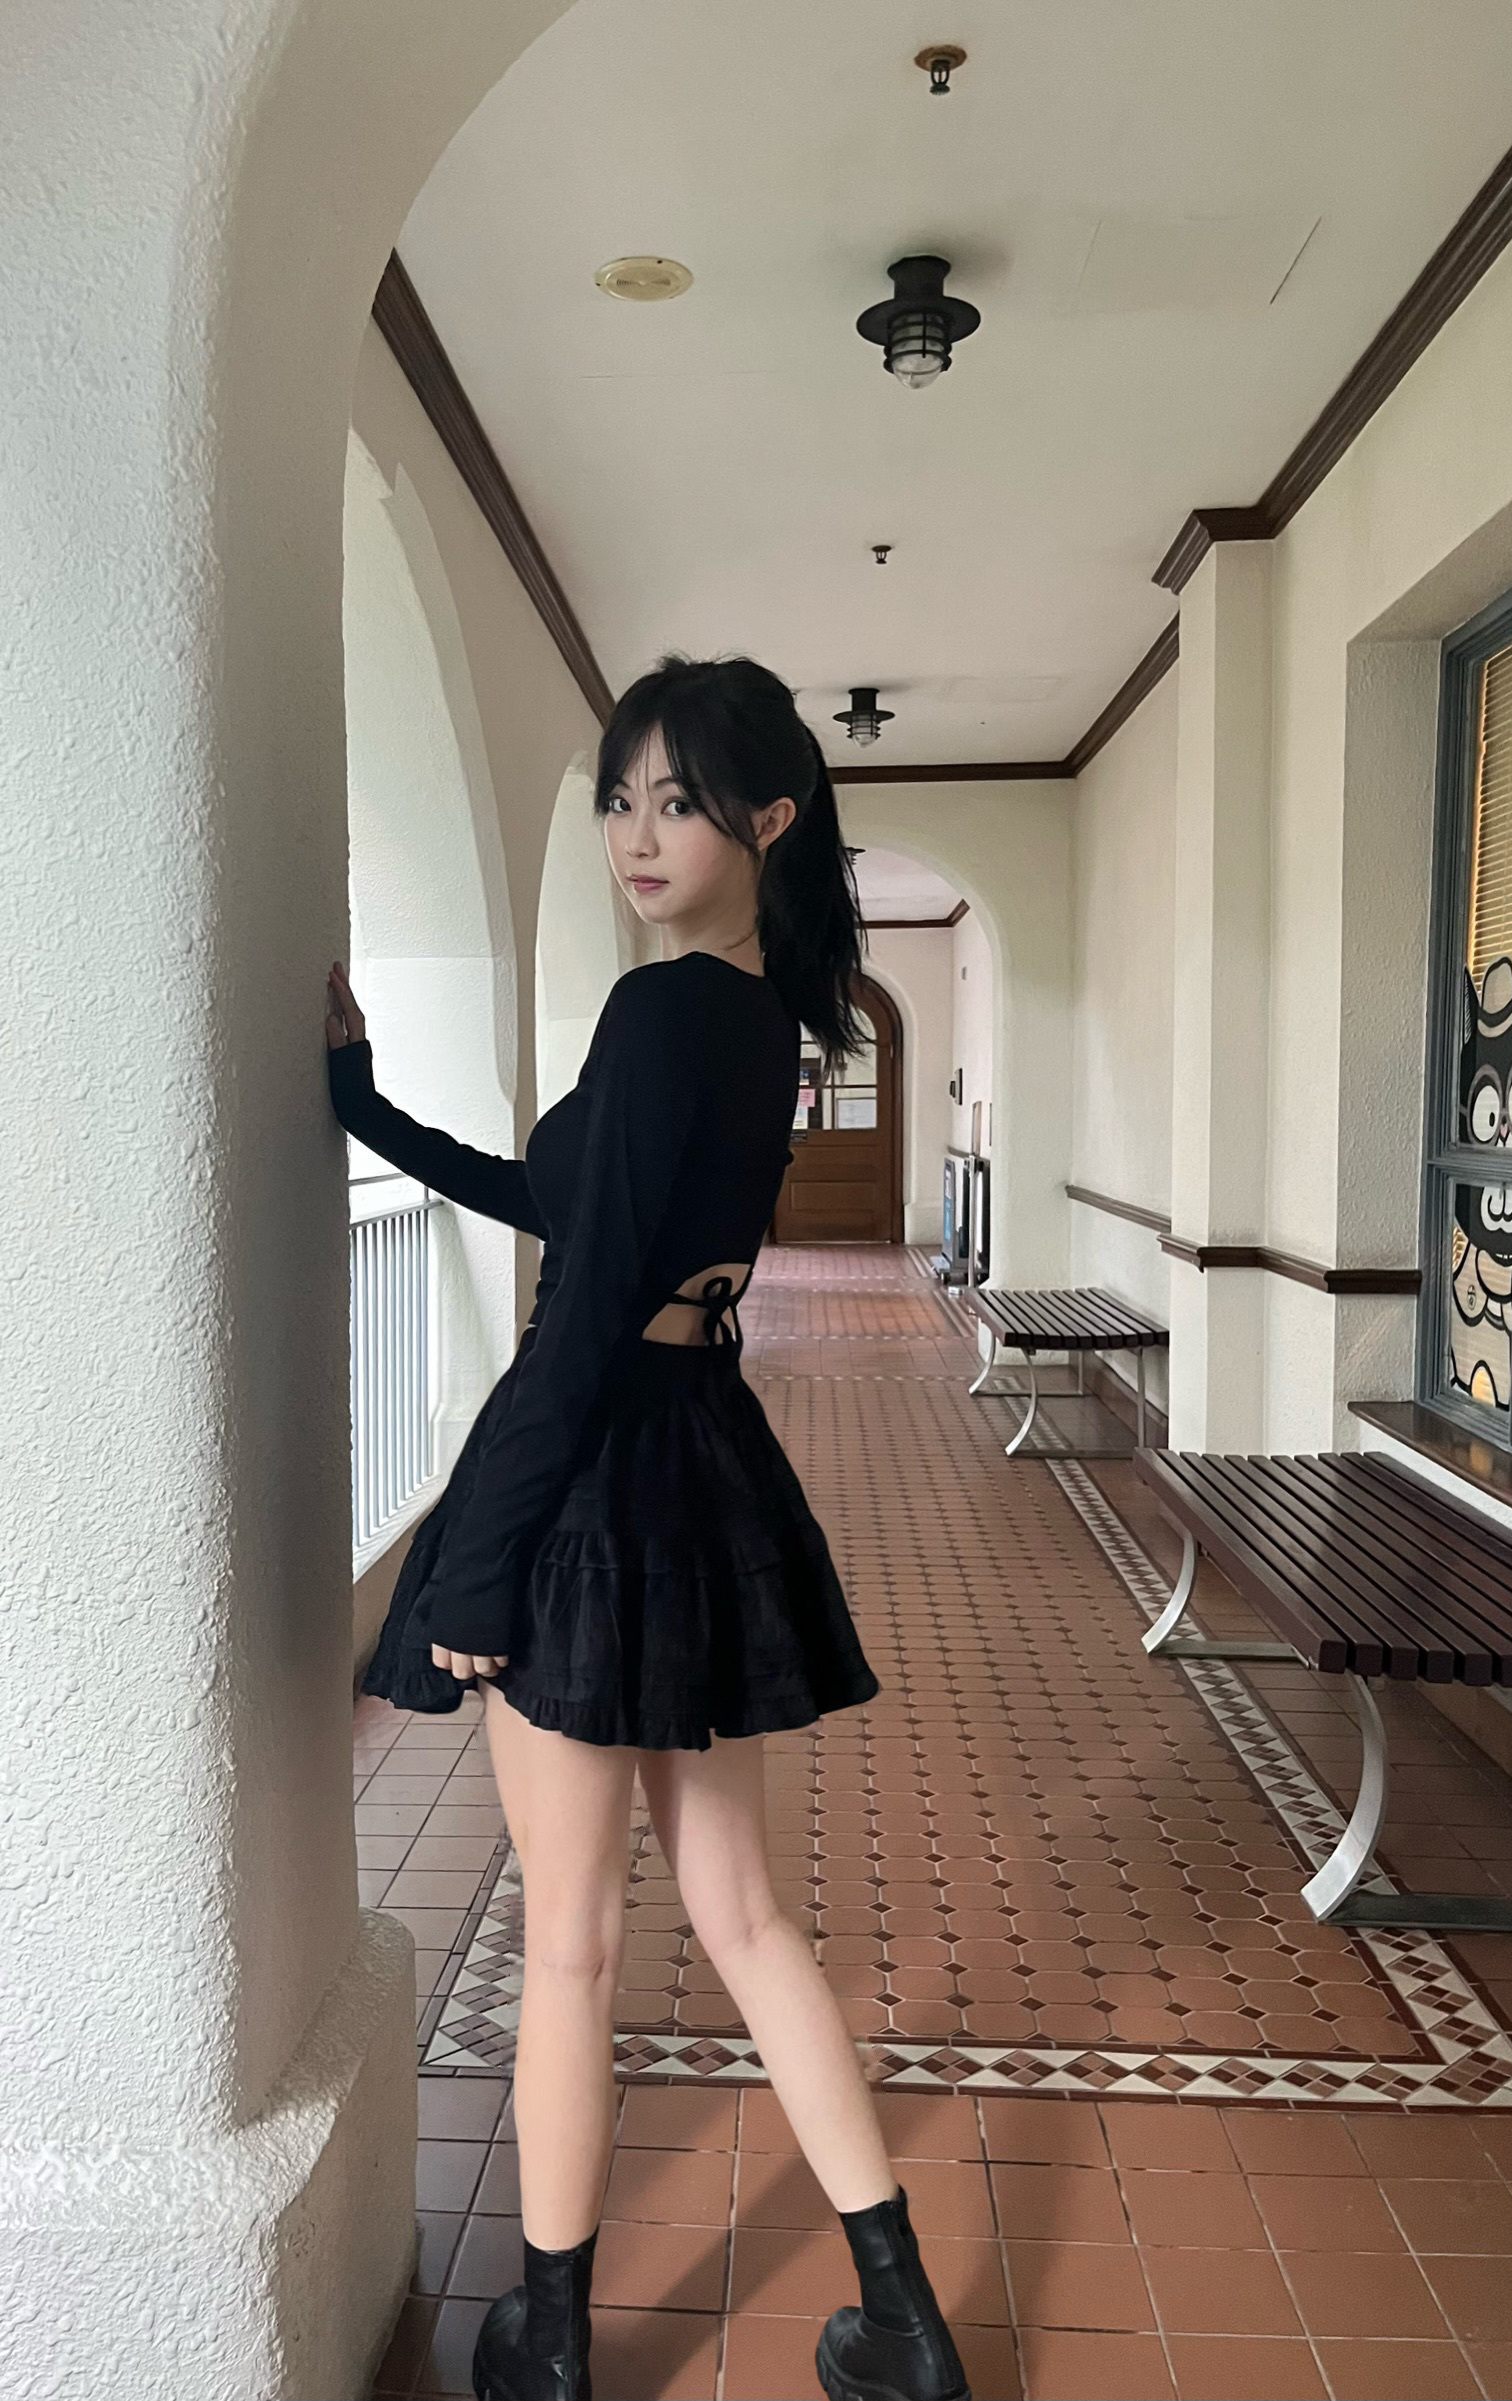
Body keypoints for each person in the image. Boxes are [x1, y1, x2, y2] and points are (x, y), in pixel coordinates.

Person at [326, 655, 970, 2401]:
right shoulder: (762, 1017)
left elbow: (585, 1297)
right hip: (701, 1457)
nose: (635, 830)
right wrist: (372, 1111)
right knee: (747, 1921)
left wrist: (475, 1562)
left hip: (598, 1471)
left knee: (571, 1941)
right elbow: (566, 1198)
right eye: (621, 797)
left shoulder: (664, 1005)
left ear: (769, 816)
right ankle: (905, 2324)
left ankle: (551, 2340)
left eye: (675, 799)